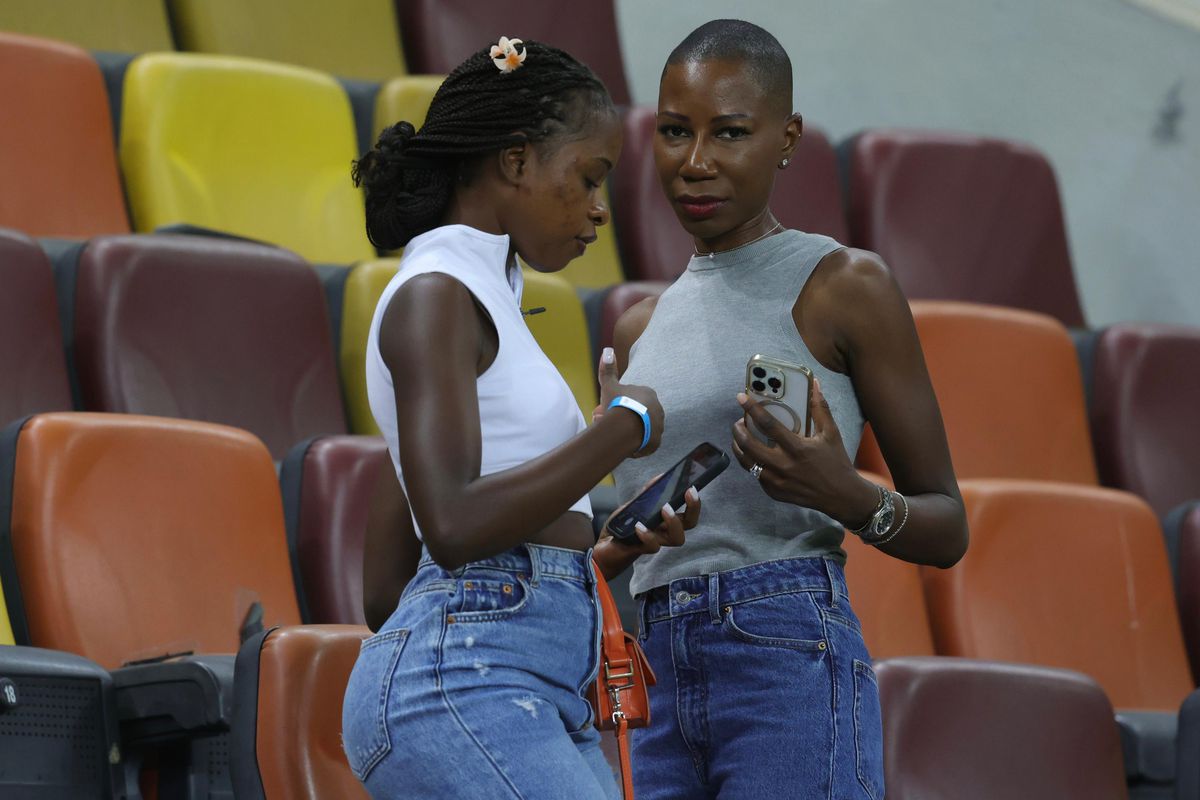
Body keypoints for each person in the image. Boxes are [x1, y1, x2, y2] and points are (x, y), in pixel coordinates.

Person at [607, 20, 969, 799]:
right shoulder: (638, 326)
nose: (694, 163)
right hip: (653, 663)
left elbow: (948, 527)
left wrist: (843, 494)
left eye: (729, 133)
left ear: (786, 137)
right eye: (675, 132)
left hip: (783, 643)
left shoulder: (845, 285)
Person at [340, 37, 700, 800]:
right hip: (460, 683)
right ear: (515, 161)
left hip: (513, 681)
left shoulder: (478, 296)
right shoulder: (436, 296)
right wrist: (620, 429)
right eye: (588, 177)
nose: (601, 208)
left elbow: (385, 593)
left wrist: (597, 555)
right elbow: (454, 526)